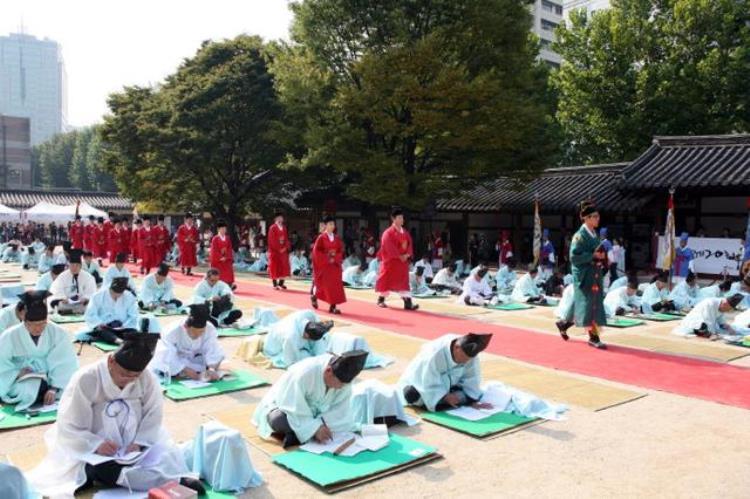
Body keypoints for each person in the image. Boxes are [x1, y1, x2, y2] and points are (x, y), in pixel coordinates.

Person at [27, 332, 203, 496]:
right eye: (124, 374)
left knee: (165, 457)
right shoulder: (86, 378)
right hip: (94, 448)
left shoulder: (146, 378)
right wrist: (95, 444)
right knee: (102, 469)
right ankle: (167, 481)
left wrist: (140, 442)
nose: (128, 380)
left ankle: (164, 478)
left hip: (132, 446)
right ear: (111, 361)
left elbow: (153, 414)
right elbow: (69, 423)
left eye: (135, 376)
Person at [252, 350, 368, 448]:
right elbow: (290, 404)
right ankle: (304, 434)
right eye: (340, 383)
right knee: (277, 419)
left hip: (317, 414)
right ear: (328, 371)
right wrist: (315, 428)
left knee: (342, 423)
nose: (342, 387)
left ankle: (298, 435)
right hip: (285, 407)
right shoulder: (304, 372)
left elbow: (341, 410)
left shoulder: (343, 382)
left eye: (345, 384)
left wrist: (321, 424)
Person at [0, 291, 78, 412]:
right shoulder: (10, 336)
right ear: (24, 321)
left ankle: (48, 392)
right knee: (27, 389)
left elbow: (65, 362)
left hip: (50, 377)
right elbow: (2, 362)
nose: (38, 329)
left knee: (70, 388)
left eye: (42, 324)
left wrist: (54, 388)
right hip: (23, 379)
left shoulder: (58, 333)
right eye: (33, 325)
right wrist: (16, 373)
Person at [398, 333, 492, 412]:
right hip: (421, 383)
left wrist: (472, 400)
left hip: (451, 386)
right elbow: (427, 380)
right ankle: (442, 399)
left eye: (467, 360)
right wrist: (444, 396)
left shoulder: (470, 357)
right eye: (462, 358)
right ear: (456, 347)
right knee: (413, 396)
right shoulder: (434, 353)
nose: (464, 362)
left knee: (465, 396)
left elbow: (472, 377)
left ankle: (448, 398)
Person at [564, 200, 608, 349]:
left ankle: (563, 323)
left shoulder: (594, 234)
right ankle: (593, 337)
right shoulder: (579, 236)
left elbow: (595, 252)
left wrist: (601, 256)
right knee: (590, 305)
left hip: (594, 273)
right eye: (595, 216)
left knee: (585, 303)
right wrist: (593, 255)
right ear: (587, 218)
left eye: (598, 216)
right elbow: (574, 257)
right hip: (584, 274)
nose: (597, 219)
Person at [149, 304, 225, 380]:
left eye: (201, 332)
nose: (198, 335)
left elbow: (213, 349)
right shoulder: (172, 331)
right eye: (195, 333)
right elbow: (165, 355)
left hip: (194, 360)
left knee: (213, 364)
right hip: (176, 361)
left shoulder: (209, 328)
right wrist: (185, 370)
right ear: (185, 327)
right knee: (162, 365)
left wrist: (211, 369)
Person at [375, 207, 419, 310]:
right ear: (393, 219)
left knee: (404, 281)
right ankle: (381, 299)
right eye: (399, 218)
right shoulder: (388, 233)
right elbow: (387, 246)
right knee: (387, 280)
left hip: (402, 263)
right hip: (391, 262)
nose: (401, 220)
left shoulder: (406, 232)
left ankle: (408, 303)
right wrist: (399, 256)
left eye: (402, 218)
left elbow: (409, 245)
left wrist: (407, 255)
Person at [261, 310, 335, 368]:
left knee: (325, 338)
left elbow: (319, 333)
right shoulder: (290, 337)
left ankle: (322, 357)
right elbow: (291, 362)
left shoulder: (309, 315)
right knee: (305, 359)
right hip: (274, 348)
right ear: (306, 335)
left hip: (293, 336)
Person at [81, 277, 140, 345]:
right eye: (114, 292)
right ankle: (119, 341)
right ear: (110, 288)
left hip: (123, 326)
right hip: (105, 326)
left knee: (133, 331)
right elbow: (90, 314)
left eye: (120, 293)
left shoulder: (129, 296)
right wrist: (101, 323)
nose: (117, 295)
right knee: (101, 331)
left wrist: (124, 325)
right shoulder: (97, 296)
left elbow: (133, 315)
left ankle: (128, 340)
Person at [311, 215, 347, 314]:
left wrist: (334, 259)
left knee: (335, 285)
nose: (332, 226)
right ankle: (314, 296)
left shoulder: (336, 238)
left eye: (333, 224)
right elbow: (316, 252)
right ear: (325, 225)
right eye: (330, 224)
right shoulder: (321, 238)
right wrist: (327, 259)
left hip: (334, 265)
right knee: (324, 286)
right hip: (325, 265)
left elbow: (340, 251)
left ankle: (333, 306)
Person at [48, 250, 97, 315]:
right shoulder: (63, 276)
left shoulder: (88, 277)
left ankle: (73, 311)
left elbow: (91, 292)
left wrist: (86, 298)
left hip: (82, 303)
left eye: (77, 265)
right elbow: (55, 289)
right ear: (69, 265)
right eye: (72, 265)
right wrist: (63, 298)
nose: (74, 268)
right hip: (67, 303)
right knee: (60, 305)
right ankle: (73, 311)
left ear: (80, 266)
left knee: (90, 305)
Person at [672, 294, 743, 338]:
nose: (727, 311)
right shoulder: (710, 303)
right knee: (705, 329)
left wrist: (728, 327)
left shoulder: (722, 305)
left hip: (706, 325)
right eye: (727, 309)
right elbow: (708, 322)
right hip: (694, 324)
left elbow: (721, 320)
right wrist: (713, 334)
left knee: (729, 331)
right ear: (725, 304)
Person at [268, 212, 291, 290]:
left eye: (282, 218)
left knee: (284, 266)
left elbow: (286, 239)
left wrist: (285, 247)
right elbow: (272, 240)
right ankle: (275, 284)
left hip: (283, 251)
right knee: (274, 266)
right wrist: (278, 249)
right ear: (276, 219)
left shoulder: (284, 228)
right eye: (279, 218)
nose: (281, 219)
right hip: (275, 251)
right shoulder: (272, 228)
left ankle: (281, 283)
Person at [208, 220, 234, 288]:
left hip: (226, 259)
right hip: (218, 260)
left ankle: (229, 284)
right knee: (217, 271)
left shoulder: (227, 238)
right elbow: (214, 250)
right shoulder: (215, 239)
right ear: (218, 229)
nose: (223, 230)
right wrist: (220, 257)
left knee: (229, 269)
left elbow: (229, 249)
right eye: (222, 229)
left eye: (225, 229)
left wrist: (226, 257)